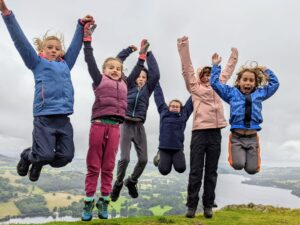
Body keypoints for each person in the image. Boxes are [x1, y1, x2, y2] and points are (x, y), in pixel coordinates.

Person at [0, 0, 92, 182]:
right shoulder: (37, 63)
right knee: (44, 155)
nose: (54, 51)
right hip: (44, 118)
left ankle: (38, 160)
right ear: (41, 51)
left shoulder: (66, 64)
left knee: (65, 157)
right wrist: (6, 14)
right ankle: (29, 156)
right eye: (49, 47)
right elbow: (21, 42)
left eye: (58, 49)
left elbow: (75, 47)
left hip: (64, 119)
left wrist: (80, 25)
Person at [80, 24, 149, 221]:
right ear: (103, 70)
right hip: (99, 126)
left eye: (118, 68)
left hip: (115, 128)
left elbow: (136, 71)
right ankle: (88, 203)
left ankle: (104, 203)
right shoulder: (99, 79)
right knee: (94, 166)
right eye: (111, 67)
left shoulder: (126, 84)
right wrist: (87, 40)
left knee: (109, 167)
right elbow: (89, 60)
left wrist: (142, 56)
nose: (115, 70)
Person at [177, 36, 238, 219]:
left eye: (209, 74)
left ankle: (208, 205)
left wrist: (233, 57)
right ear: (200, 76)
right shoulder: (194, 88)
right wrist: (183, 46)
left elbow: (227, 72)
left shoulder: (218, 87)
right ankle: (191, 206)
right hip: (199, 133)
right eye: (204, 74)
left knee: (211, 171)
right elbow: (187, 69)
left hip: (215, 133)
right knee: (196, 170)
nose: (206, 77)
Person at [210, 54, 279, 175]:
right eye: (245, 80)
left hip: (252, 138)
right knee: (238, 165)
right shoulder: (231, 93)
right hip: (237, 137)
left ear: (255, 83)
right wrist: (215, 66)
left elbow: (275, 84)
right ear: (239, 81)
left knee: (252, 170)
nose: (248, 82)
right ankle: (237, 154)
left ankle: (251, 158)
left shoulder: (260, 94)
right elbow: (215, 84)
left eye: (251, 80)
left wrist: (266, 70)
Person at [110, 41, 160, 202]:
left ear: (147, 80)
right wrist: (128, 51)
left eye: (144, 77)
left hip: (139, 126)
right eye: (139, 76)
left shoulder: (148, 89)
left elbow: (156, 74)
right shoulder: (128, 85)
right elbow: (117, 62)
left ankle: (131, 181)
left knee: (144, 160)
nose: (140, 79)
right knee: (124, 158)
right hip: (125, 124)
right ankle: (117, 184)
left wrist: (148, 53)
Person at [152, 82, 193, 175]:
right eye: (172, 106)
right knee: (164, 171)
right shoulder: (163, 112)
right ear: (168, 107)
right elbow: (158, 96)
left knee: (181, 168)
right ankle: (159, 156)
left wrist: (198, 86)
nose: (174, 108)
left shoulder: (184, 114)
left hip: (177, 148)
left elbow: (192, 100)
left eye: (177, 106)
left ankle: (172, 160)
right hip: (164, 148)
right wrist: (156, 81)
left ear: (181, 108)